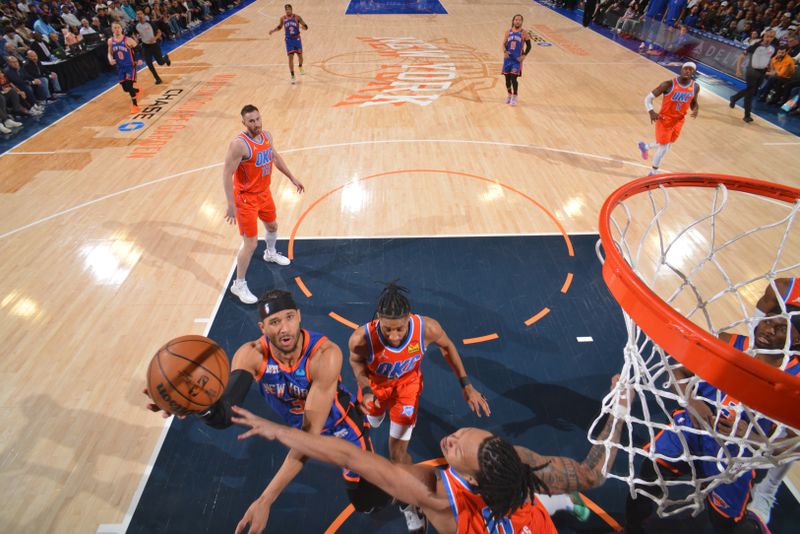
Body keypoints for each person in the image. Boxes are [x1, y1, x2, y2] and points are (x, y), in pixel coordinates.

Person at [231, 374, 630, 533]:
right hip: (529, 516)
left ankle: (558, 499)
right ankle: (558, 498)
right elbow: (594, 472)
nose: (450, 439)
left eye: (457, 448)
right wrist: (620, 411)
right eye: (460, 432)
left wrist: (279, 430)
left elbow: (350, 457)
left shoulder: (439, 496)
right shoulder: (512, 461)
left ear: (473, 479)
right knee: (554, 490)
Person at [145, 290, 394, 534]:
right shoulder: (251, 354)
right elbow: (225, 413)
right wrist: (193, 404)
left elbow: (310, 438)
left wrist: (266, 499)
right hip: (301, 429)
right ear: (262, 328)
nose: (284, 328)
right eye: (274, 322)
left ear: (299, 316)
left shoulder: (324, 355)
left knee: (367, 500)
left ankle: (403, 498)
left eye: (289, 317)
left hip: (341, 427)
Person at [625, 308, 800, 534]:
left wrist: (750, 436)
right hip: (691, 430)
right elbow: (678, 371)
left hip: (735, 455)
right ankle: (631, 529)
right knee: (645, 480)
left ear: (796, 339)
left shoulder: (794, 379)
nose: (769, 329)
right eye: (768, 321)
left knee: (726, 524)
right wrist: (691, 401)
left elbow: (791, 447)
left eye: (781, 328)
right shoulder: (729, 343)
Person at [349, 282, 491, 531]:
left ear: (409, 319)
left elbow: (448, 347)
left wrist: (466, 385)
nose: (394, 336)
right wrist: (367, 388)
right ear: (378, 320)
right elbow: (356, 361)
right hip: (377, 387)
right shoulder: (362, 338)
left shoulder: (427, 328)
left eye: (400, 329)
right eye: (388, 329)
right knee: (373, 417)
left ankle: (408, 504)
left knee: (399, 453)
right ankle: (377, 412)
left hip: (407, 388)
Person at [222, 104, 304, 304]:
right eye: (251, 121)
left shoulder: (266, 136)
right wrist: (230, 204)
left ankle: (270, 253)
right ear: (244, 122)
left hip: (264, 194)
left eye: (258, 119)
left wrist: (292, 178)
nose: (256, 123)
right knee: (250, 243)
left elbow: (274, 157)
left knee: (273, 226)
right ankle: (238, 284)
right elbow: (226, 174)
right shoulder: (239, 145)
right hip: (246, 199)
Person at [746, 278, 800, 525]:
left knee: (794, 430)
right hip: (776, 351)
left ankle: (768, 488)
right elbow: (756, 323)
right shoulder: (784, 288)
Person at [637, 62, 699, 175]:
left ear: (693, 72)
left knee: (668, 144)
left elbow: (693, 102)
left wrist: (696, 109)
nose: (688, 71)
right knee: (664, 148)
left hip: (679, 120)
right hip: (665, 119)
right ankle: (653, 173)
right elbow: (648, 98)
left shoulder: (695, 86)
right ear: (682, 69)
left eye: (691, 70)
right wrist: (651, 111)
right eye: (686, 68)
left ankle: (645, 147)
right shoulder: (668, 84)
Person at [730, 30, 776, 123]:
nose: (768, 39)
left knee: (752, 91)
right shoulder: (756, 46)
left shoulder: (772, 48)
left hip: (762, 72)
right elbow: (742, 56)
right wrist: (738, 69)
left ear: (773, 38)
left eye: (771, 37)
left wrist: (772, 69)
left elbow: (769, 58)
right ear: (764, 36)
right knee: (750, 93)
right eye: (767, 36)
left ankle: (734, 98)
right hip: (752, 71)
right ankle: (747, 116)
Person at [268, 4, 308, 84]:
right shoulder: (283, 18)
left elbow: (306, 26)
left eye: (289, 9)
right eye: (286, 10)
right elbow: (279, 27)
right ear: (285, 10)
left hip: (297, 39)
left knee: (300, 56)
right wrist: (273, 30)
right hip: (289, 40)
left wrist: (304, 28)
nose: (288, 11)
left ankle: (300, 66)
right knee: (290, 57)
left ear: (292, 9)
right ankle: (292, 75)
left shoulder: (297, 17)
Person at [106, 22, 141, 114]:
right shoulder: (110, 41)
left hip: (130, 66)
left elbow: (138, 49)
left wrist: (139, 59)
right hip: (120, 67)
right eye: (115, 28)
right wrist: (110, 59)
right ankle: (136, 91)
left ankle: (135, 106)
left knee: (129, 85)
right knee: (126, 89)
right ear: (112, 29)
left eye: (118, 27)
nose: (117, 29)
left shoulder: (128, 40)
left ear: (121, 28)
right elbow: (109, 53)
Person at [501, 14, 532, 106]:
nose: (517, 21)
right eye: (516, 20)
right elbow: (503, 44)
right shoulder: (508, 32)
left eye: (519, 20)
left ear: (522, 22)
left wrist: (524, 55)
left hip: (517, 60)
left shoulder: (524, 33)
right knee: (507, 79)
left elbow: (529, 46)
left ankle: (515, 96)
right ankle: (509, 94)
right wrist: (505, 52)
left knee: (514, 78)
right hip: (508, 59)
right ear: (513, 21)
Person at [135, 9, 171, 85]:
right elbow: (134, 33)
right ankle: (157, 79)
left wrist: (155, 38)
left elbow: (159, 32)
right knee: (149, 64)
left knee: (160, 63)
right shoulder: (136, 26)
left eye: (140, 14)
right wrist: (135, 38)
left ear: (143, 15)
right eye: (137, 14)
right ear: (136, 16)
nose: (139, 15)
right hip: (145, 46)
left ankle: (166, 58)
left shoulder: (150, 23)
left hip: (154, 45)